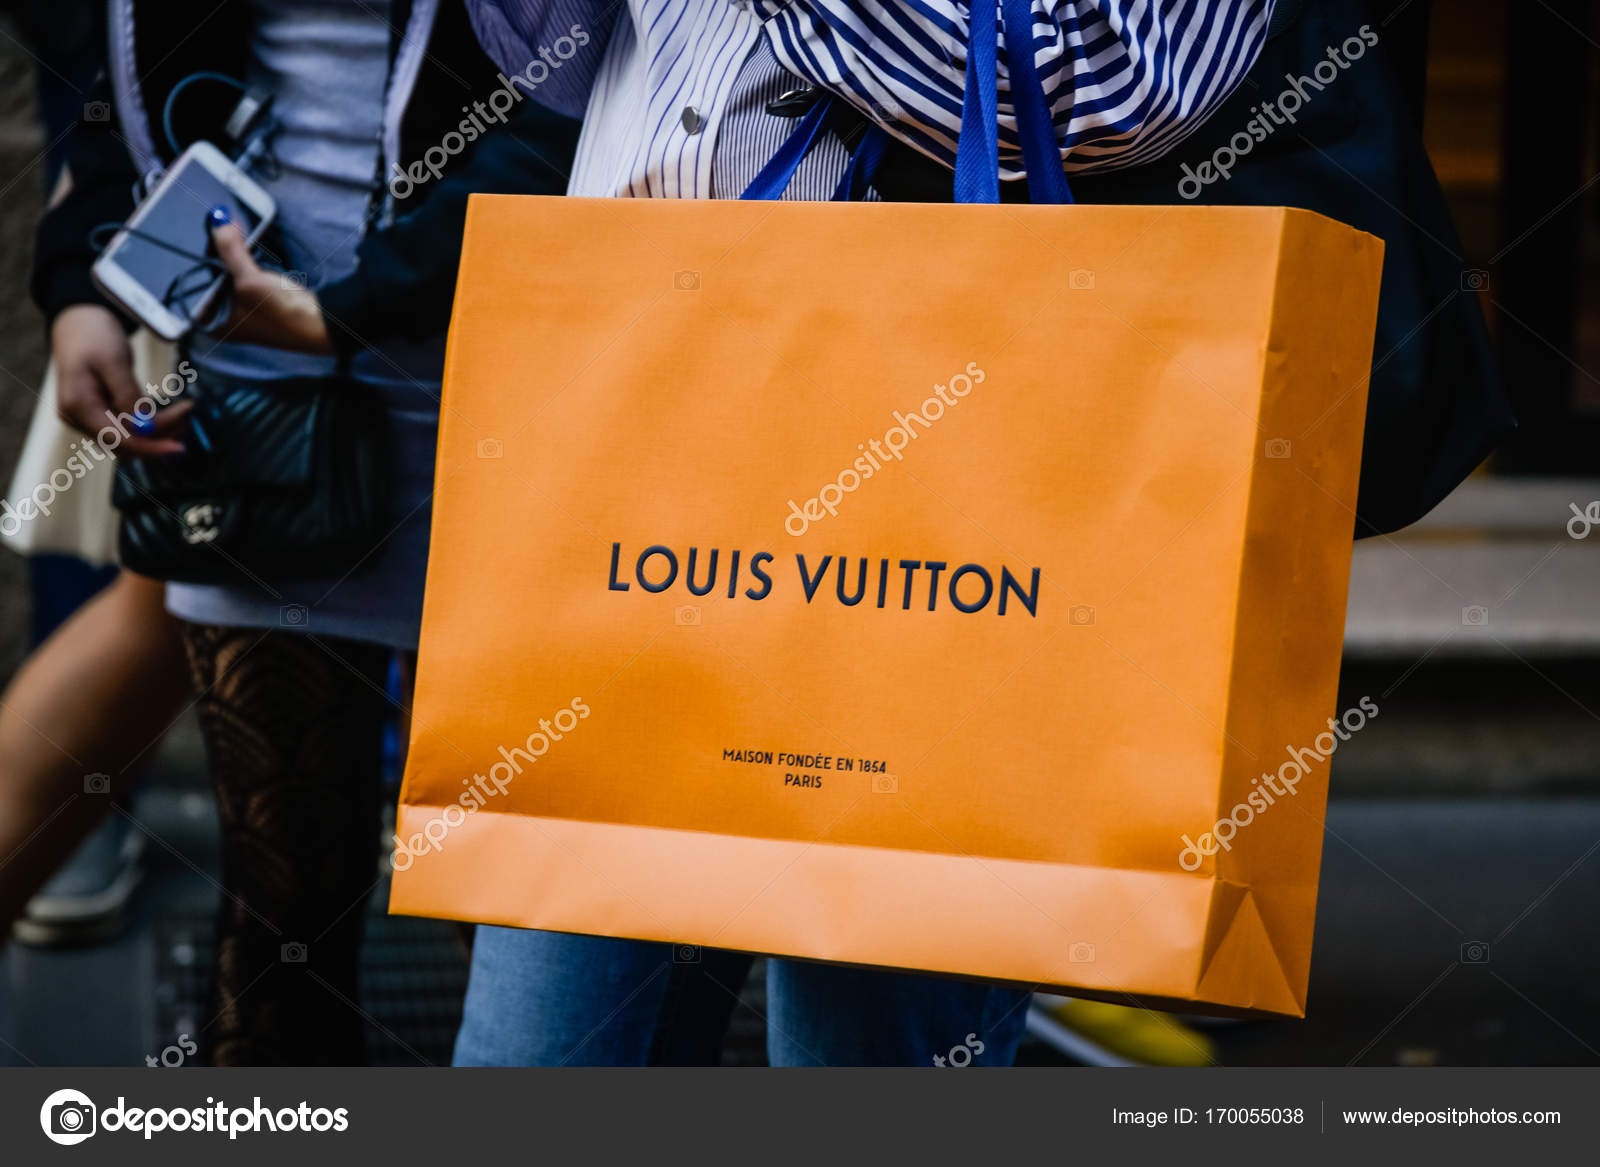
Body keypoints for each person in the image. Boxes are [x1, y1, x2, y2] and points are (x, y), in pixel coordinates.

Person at [450, 0, 1284, 1068]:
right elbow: (557, 69)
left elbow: (1125, 86)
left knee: (864, 1061)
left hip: (929, 451)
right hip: (634, 412)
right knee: (536, 1063)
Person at [33, 0, 579, 1064]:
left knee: (513, 916)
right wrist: (84, 279)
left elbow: (578, 110)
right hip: (261, 391)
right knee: (284, 908)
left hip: (510, 378)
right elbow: (135, 74)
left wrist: (358, 306)